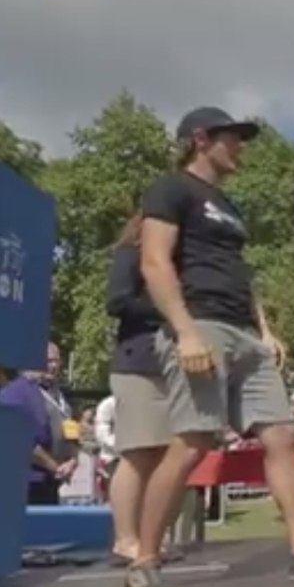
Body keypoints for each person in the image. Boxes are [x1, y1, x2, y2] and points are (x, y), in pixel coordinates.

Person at [127, 106, 294, 587]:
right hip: (200, 325)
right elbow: (153, 261)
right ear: (200, 139)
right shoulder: (169, 189)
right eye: (232, 138)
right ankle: (144, 560)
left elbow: (240, 271)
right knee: (194, 440)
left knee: (280, 436)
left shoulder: (229, 206)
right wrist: (185, 332)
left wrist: (265, 329)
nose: (241, 147)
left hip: (246, 335)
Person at [103, 211, 185, 567]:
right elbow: (117, 301)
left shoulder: (181, 263)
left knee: (170, 454)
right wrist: (169, 308)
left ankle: (154, 538)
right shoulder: (130, 253)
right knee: (138, 453)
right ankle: (125, 540)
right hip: (138, 362)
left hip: (177, 365)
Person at [0, 342, 78, 504]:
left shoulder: (61, 396)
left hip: (51, 484)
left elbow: (72, 431)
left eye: (56, 361)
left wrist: (73, 460)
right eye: (48, 361)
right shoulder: (16, 393)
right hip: (24, 485)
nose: (53, 366)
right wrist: (55, 468)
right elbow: (22, 442)